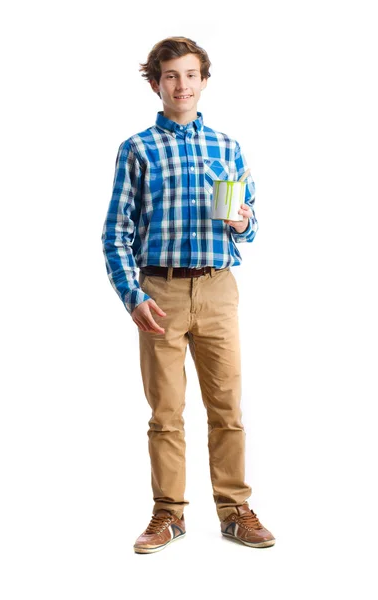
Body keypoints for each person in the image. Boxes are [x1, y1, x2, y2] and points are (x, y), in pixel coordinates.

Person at [101, 36, 275, 553]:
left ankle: (235, 509)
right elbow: (115, 232)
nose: (182, 85)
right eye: (171, 76)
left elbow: (249, 225)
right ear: (155, 83)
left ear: (204, 81)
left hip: (220, 289)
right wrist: (133, 296)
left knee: (227, 407)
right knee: (166, 413)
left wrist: (244, 221)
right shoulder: (137, 148)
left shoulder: (227, 146)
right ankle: (168, 514)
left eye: (191, 75)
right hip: (161, 291)